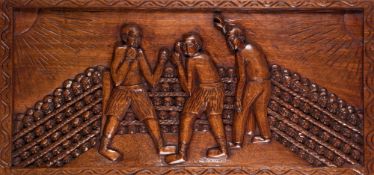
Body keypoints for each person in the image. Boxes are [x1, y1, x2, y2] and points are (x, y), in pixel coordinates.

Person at [99, 23, 176, 161]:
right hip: (122, 90)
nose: (136, 40)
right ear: (124, 37)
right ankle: (104, 148)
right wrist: (128, 59)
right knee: (114, 118)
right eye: (133, 36)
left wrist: (161, 63)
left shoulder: (139, 52)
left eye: (139, 37)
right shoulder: (120, 50)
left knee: (150, 117)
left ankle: (160, 146)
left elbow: (152, 81)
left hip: (138, 90)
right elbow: (117, 80)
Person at [165, 32, 228, 165]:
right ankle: (224, 150)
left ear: (197, 45)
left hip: (206, 90)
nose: (187, 48)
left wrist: (178, 64)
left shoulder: (193, 59)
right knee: (214, 117)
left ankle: (182, 154)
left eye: (190, 45)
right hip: (216, 89)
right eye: (185, 45)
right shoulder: (203, 56)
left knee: (187, 118)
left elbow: (188, 88)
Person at [214, 14, 272, 149]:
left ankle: (237, 142)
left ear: (238, 38)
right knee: (260, 111)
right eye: (228, 40)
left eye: (230, 39)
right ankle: (266, 137)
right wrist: (224, 28)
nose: (229, 43)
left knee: (241, 111)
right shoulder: (252, 47)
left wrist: (238, 98)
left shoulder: (241, 53)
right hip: (266, 83)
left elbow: (242, 77)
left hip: (255, 84)